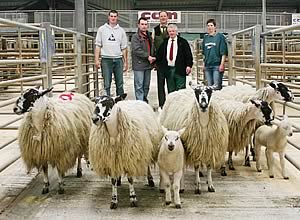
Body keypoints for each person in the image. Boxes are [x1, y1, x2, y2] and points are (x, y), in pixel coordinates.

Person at [94, 10, 128, 96]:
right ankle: (107, 103)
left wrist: (126, 62)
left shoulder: (121, 31)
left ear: (117, 18)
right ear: (108, 17)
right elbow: (98, 45)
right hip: (106, 59)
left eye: (115, 16)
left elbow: (124, 48)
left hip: (118, 59)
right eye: (111, 16)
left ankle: (120, 102)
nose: (113, 18)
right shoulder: (101, 29)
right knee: (106, 84)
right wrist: (96, 60)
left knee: (120, 84)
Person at [156, 24, 193, 94]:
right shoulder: (165, 42)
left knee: (181, 91)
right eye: (170, 31)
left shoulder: (183, 42)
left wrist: (189, 66)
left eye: (173, 31)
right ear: (168, 32)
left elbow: (188, 55)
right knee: (171, 91)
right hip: (169, 70)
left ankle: (180, 105)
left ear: (176, 32)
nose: (171, 33)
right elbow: (159, 55)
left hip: (180, 69)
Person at [131, 17, 156, 103]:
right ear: (138, 25)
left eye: (145, 24)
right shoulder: (135, 37)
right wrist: (147, 56)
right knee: (139, 86)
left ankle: (143, 100)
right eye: (142, 24)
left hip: (148, 65)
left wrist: (153, 57)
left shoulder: (149, 36)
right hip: (139, 65)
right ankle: (140, 104)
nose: (144, 26)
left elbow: (152, 48)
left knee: (146, 86)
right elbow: (136, 49)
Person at [202, 18, 228, 90]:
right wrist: (203, 64)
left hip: (217, 65)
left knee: (216, 86)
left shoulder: (220, 37)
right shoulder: (205, 38)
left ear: (215, 27)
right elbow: (204, 53)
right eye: (208, 26)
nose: (209, 27)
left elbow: (223, 52)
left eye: (211, 25)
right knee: (209, 87)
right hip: (207, 65)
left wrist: (222, 64)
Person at [152, 11, 169, 108]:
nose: (163, 18)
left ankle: (170, 104)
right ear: (159, 18)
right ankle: (162, 104)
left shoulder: (171, 28)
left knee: (171, 84)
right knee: (160, 84)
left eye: (164, 16)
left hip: (170, 61)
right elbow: (153, 45)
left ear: (167, 18)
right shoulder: (155, 30)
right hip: (159, 62)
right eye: (161, 16)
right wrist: (154, 61)